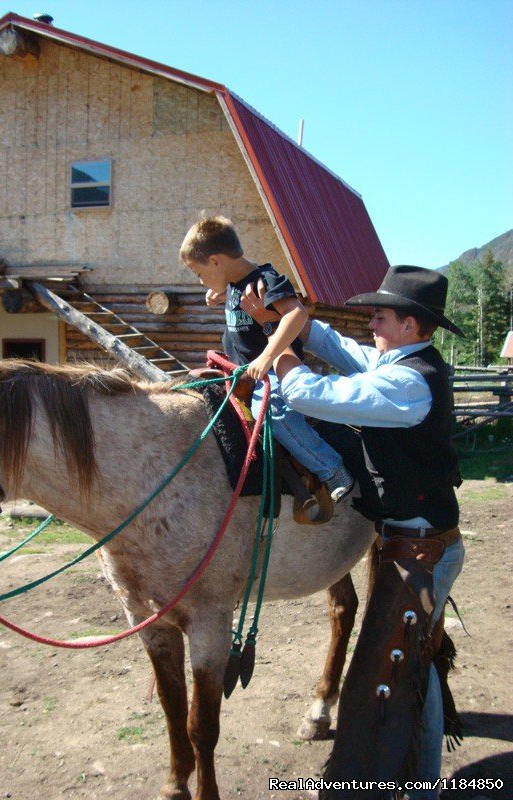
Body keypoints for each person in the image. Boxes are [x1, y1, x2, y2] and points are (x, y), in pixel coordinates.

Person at [242, 264, 465, 800]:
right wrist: (285, 316)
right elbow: (339, 346)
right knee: (412, 664)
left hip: (421, 549)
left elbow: (311, 394)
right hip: (415, 541)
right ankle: (424, 782)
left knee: (395, 670)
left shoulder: (408, 383)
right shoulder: (401, 362)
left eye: (381, 317)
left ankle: (417, 786)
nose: (372, 325)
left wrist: (278, 351)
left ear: (411, 326)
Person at [179, 214, 353, 507]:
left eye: (199, 273)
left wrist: (267, 356)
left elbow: (297, 313)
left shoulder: (266, 280)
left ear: (216, 261)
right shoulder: (233, 282)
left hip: (273, 371)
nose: (200, 280)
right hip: (240, 368)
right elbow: (234, 297)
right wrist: (219, 293)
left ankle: (331, 468)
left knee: (274, 414)